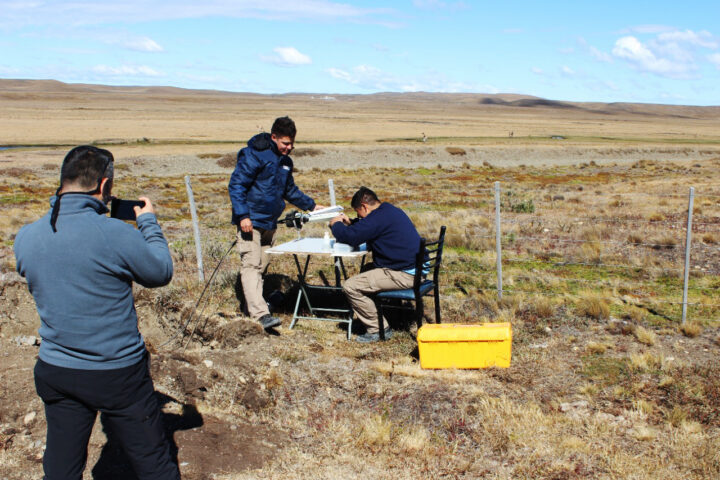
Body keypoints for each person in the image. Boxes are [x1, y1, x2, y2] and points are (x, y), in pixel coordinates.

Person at [14, 146, 179, 480]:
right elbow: (160, 271)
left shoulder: (26, 237)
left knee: (61, 464)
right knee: (153, 463)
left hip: (55, 368)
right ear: (104, 186)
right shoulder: (115, 234)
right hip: (116, 372)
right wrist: (148, 223)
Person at [228, 116, 324, 329]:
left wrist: (311, 205)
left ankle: (250, 311)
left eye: (292, 144)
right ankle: (261, 315)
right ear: (274, 137)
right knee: (251, 265)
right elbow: (236, 185)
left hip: (270, 223)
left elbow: (289, 190)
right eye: (285, 143)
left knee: (261, 266)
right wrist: (243, 215)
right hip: (250, 222)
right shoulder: (254, 155)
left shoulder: (286, 162)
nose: (289, 148)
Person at [329, 187, 422, 343]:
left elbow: (350, 237)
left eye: (359, 213)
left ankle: (378, 329)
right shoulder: (388, 211)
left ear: (365, 206)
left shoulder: (378, 218)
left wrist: (336, 224)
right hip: (413, 268)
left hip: (404, 274)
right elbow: (370, 226)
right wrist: (352, 222)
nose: (360, 216)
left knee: (351, 286)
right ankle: (382, 313)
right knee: (367, 270)